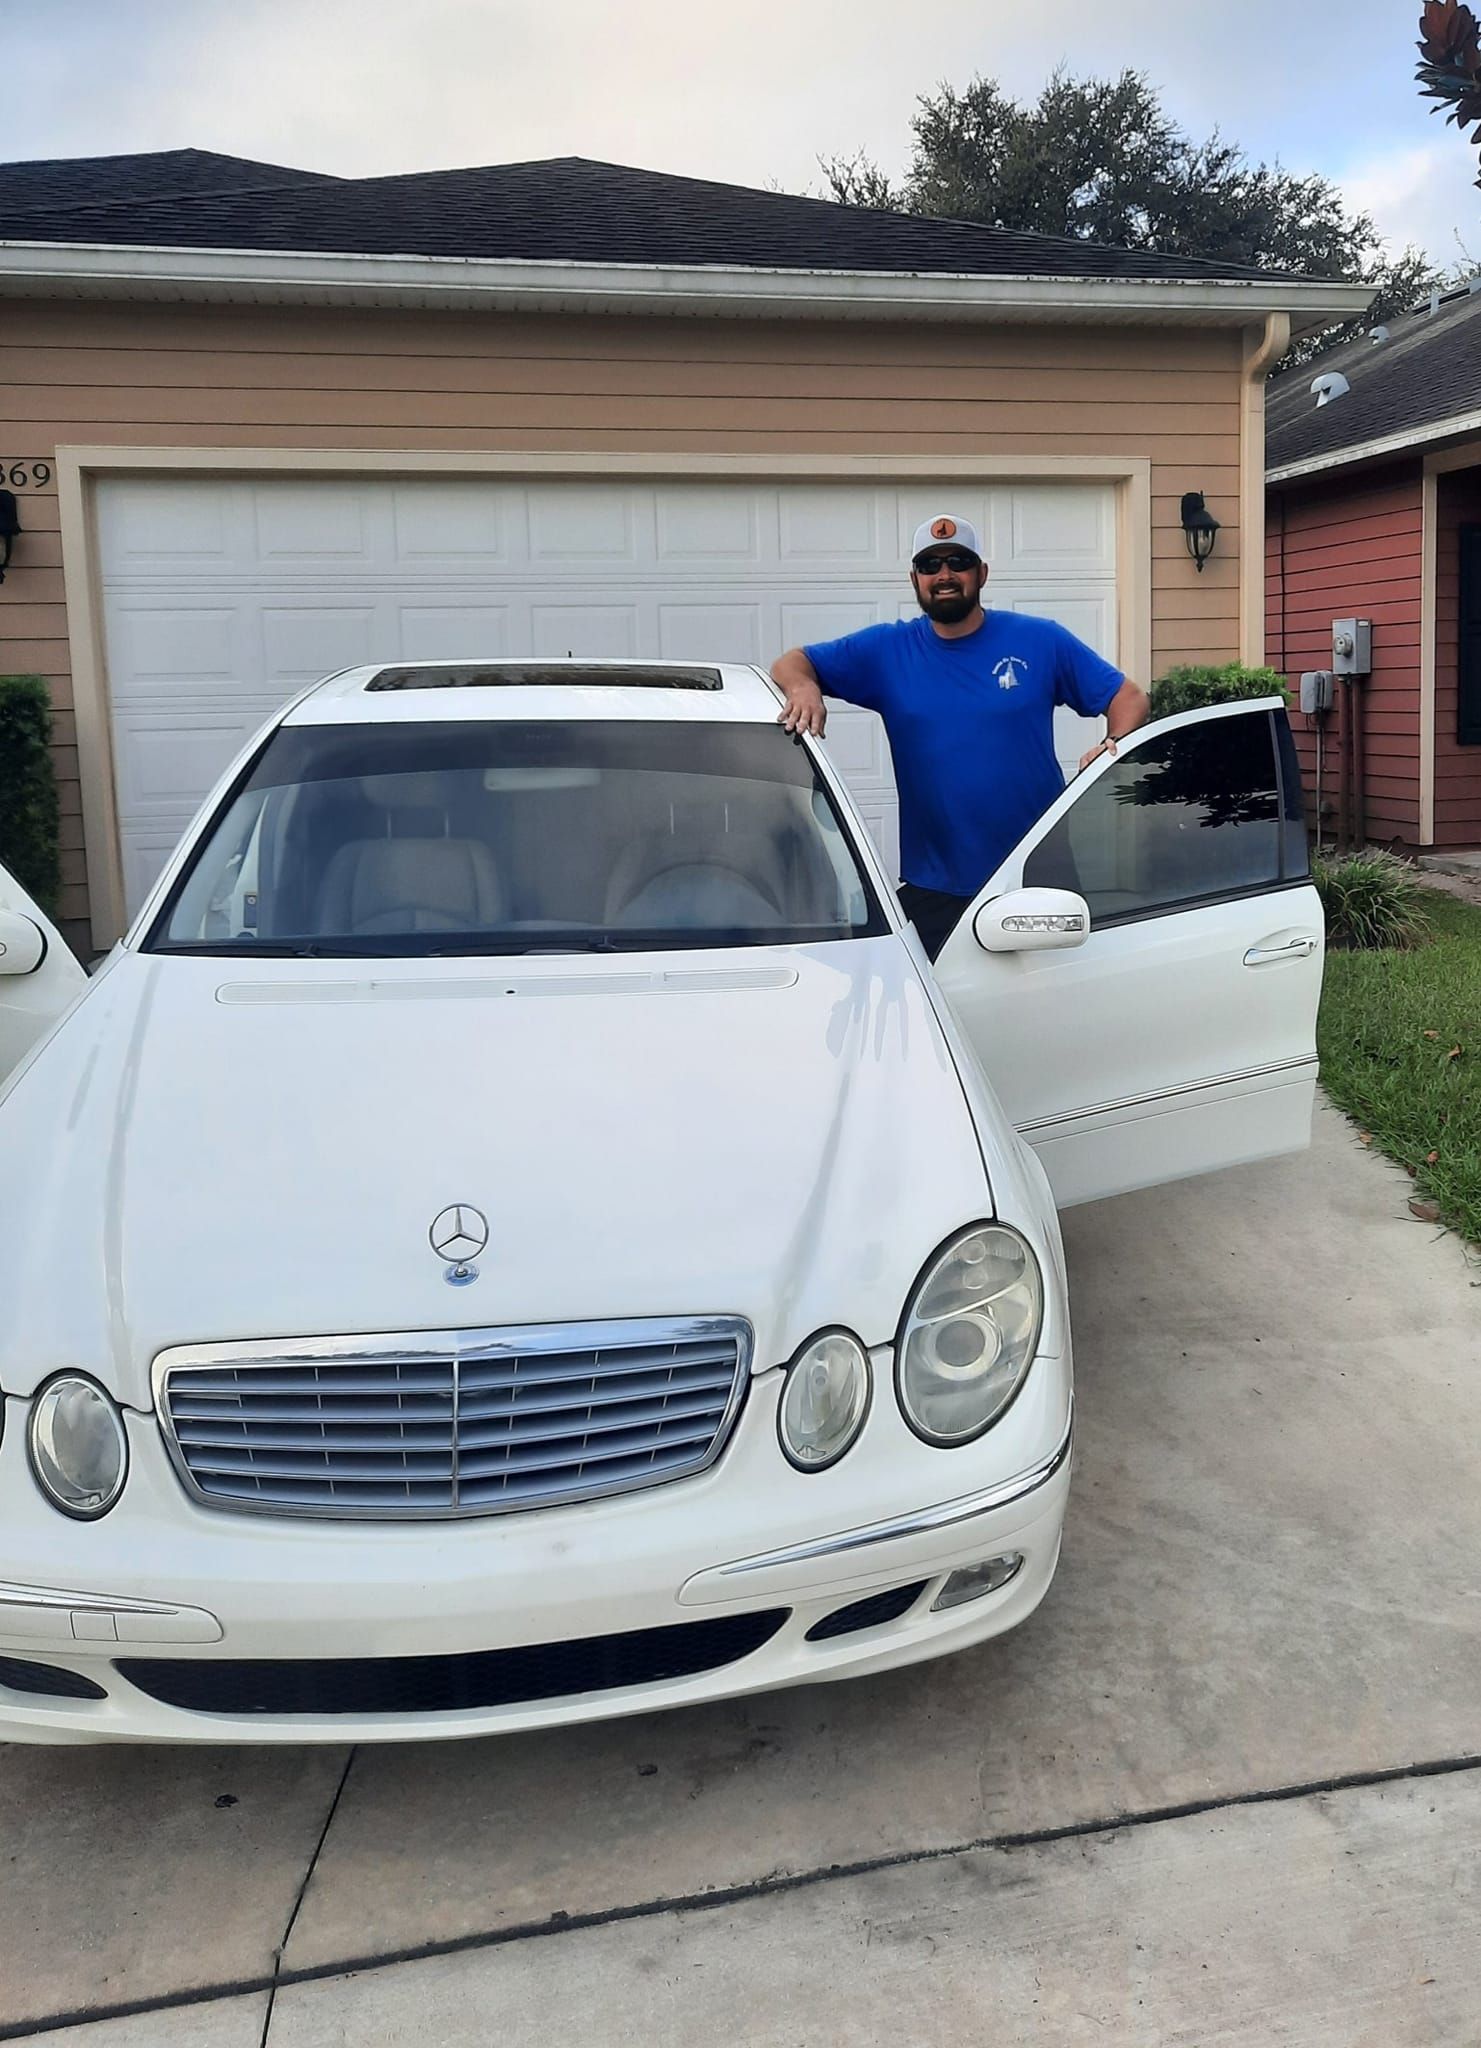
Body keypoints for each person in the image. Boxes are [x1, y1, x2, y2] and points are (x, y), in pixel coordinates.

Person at [770, 515, 1150, 959]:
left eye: (958, 562)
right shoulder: (887, 651)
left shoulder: (1039, 640)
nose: (944, 574)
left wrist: (1112, 745)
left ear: (981, 573)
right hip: (937, 887)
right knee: (933, 1016)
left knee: (1055, 1009)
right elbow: (793, 661)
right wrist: (804, 687)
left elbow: (1129, 697)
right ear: (915, 579)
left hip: (1037, 874)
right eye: (930, 565)